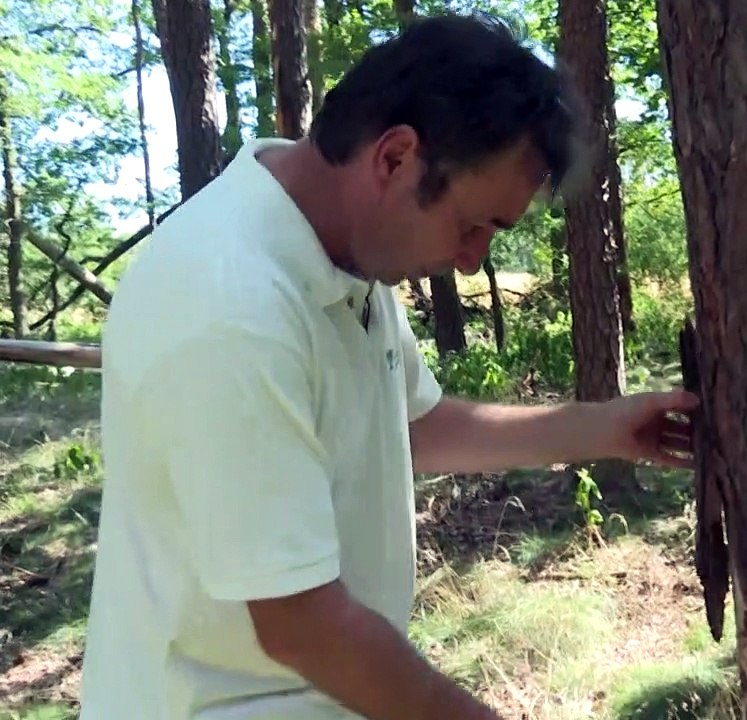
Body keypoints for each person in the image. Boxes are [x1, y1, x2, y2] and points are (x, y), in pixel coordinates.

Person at [77, 12, 696, 720]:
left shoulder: (343, 258)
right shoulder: (229, 302)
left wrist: (609, 429)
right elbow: (302, 626)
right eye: (473, 226)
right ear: (395, 158)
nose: (471, 260)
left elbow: (416, 428)